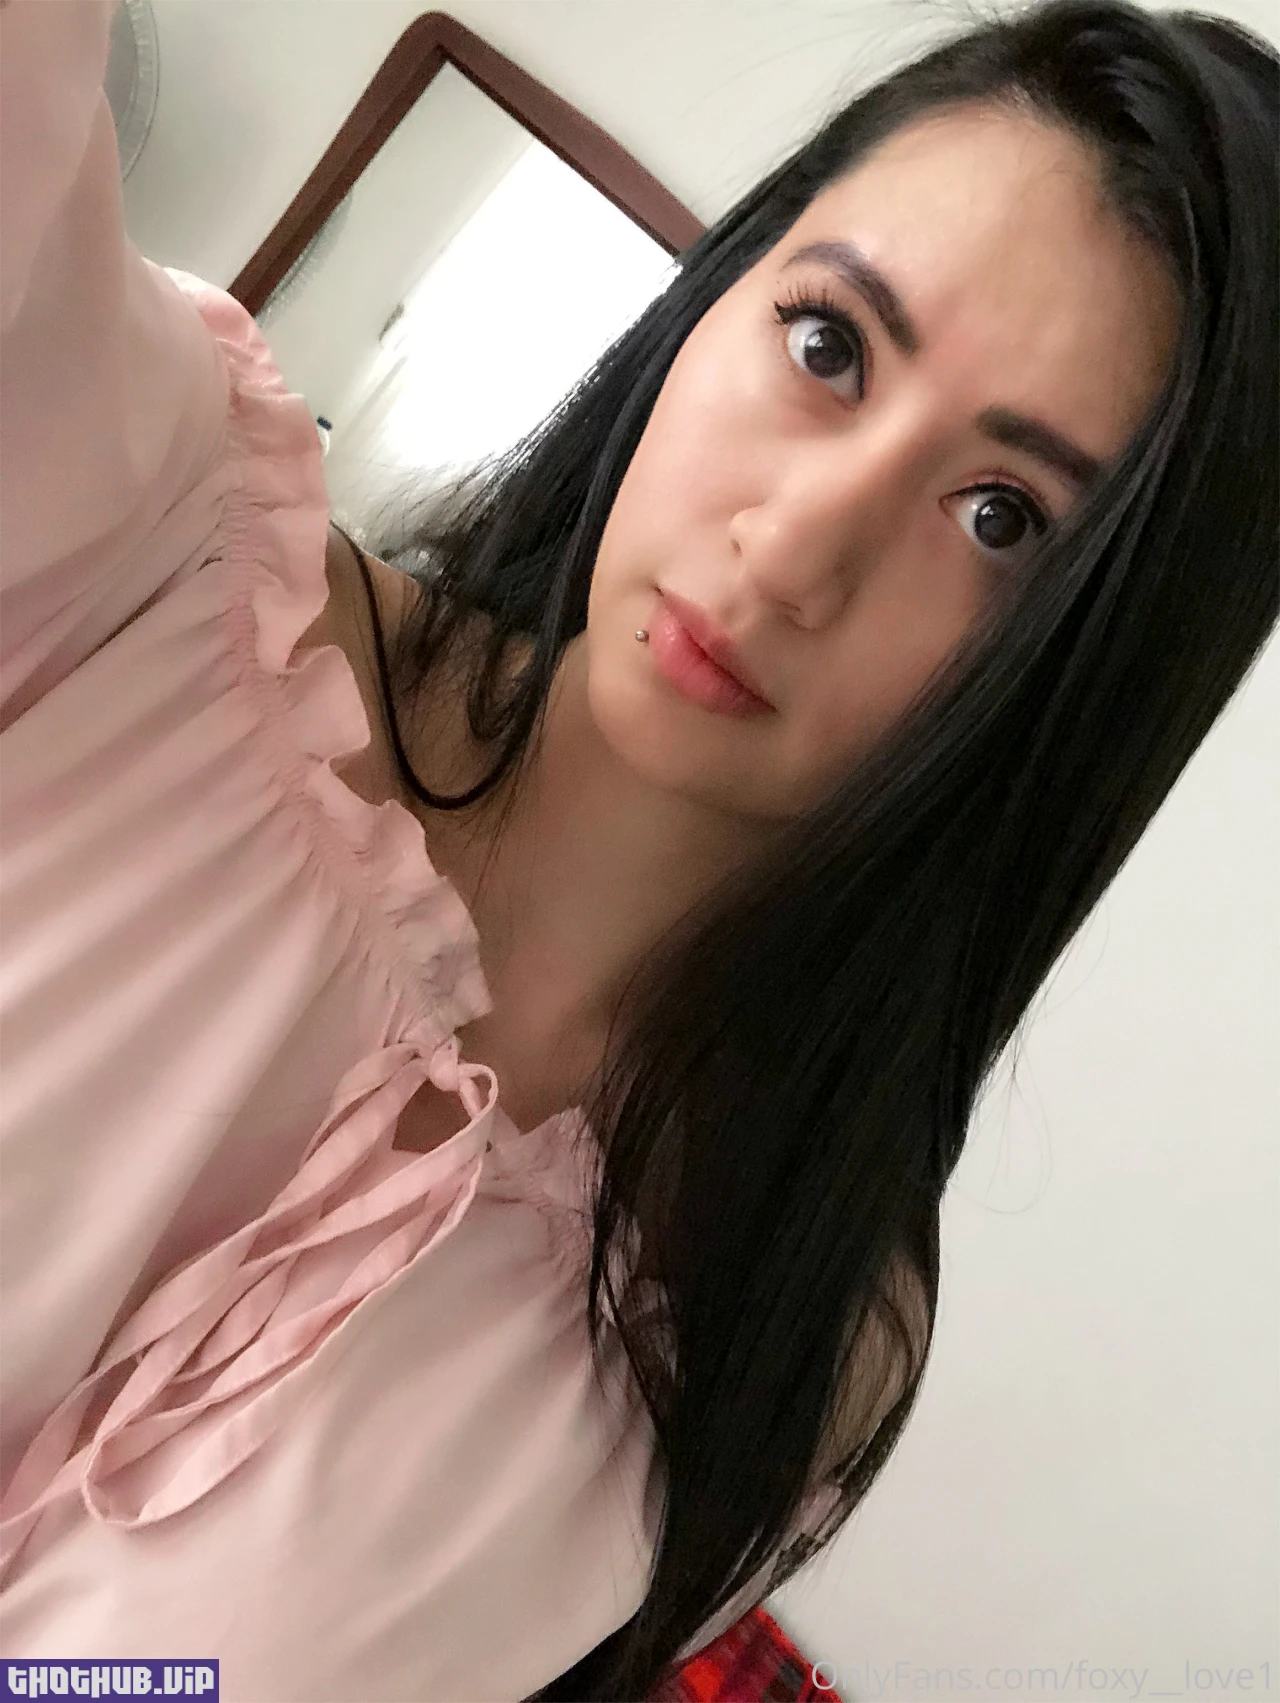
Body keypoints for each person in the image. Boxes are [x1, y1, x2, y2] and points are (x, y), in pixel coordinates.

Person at [0, 0, 1274, 1698]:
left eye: (1003, 521)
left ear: (1089, 682)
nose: (795, 550)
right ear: (720, 296)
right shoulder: (153, 545)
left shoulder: (776, 1325)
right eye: (829, 345)